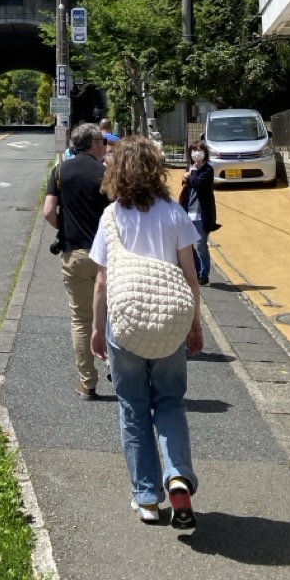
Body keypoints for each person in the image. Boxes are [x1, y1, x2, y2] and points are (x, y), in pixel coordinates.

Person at [90, 136, 202, 527]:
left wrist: (96, 330)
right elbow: (191, 276)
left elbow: (102, 282)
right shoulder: (174, 213)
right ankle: (177, 476)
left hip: (125, 322)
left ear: (117, 171)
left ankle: (148, 498)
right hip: (171, 323)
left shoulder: (111, 216)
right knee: (170, 402)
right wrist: (195, 323)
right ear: (156, 169)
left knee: (134, 408)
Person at [43, 123, 109, 399]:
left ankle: (88, 383)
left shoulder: (60, 171)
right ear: (93, 143)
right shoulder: (106, 172)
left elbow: (48, 211)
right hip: (108, 256)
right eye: (103, 141)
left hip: (76, 255)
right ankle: (118, 370)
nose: (105, 145)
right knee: (113, 316)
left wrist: (65, 228)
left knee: (81, 320)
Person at [182, 142, 218, 286]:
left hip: (201, 214)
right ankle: (196, 270)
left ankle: (204, 274)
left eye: (200, 150)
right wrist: (188, 175)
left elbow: (199, 183)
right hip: (188, 212)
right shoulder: (189, 168)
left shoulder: (207, 170)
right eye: (194, 150)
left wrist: (190, 174)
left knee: (201, 244)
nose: (196, 153)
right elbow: (186, 186)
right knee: (188, 245)